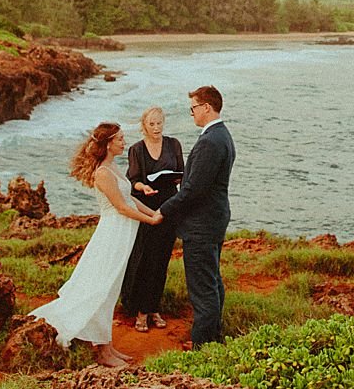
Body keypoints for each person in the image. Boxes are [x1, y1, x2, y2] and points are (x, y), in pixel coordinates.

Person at [29, 122, 163, 367]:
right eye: (120, 139)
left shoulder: (112, 167)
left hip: (122, 233)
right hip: (112, 235)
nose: (125, 142)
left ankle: (108, 347)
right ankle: (102, 352)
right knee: (103, 288)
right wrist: (150, 221)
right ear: (109, 143)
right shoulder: (102, 173)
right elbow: (122, 207)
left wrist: (153, 212)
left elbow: (130, 199)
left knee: (111, 289)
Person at [157, 85, 235, 348]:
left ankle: (202, 348)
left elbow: (193, 192)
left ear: (206, 107)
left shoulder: (209, 141)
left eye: (193, 108)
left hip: (202, 224)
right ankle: (214, 339)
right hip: (214, 218)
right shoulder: (221, 136)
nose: (191, 113)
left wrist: (164, 210)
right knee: (211, 280)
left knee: (203, 289)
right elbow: (201, 181)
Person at [120, 106, 184, 331]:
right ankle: (140, 311)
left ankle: (154, 308)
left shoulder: (173, 144)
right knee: (145, 260)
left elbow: (180, 173)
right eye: (152, 124)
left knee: (161, 260)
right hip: (146, 205)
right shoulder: (136, 149)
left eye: (159, 123)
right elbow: (133, 180)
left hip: (168, 205)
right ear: (144, 126)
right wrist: (143, 186)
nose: (156, 128)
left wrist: (173, 179)